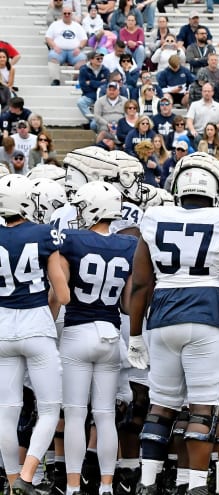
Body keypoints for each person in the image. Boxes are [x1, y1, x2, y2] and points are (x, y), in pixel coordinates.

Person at [128, 153, 219, 495]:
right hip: (207, 314)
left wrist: (135, 334)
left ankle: (148, 482)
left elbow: (141, 283)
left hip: (163, 315)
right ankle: (197, 486)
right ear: (215, 186)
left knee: (162, 403)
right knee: (202, 405)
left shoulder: (154, 217)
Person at [59, 181, 136, 495]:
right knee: (105, 416)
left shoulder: (71, 239)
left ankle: (74, 485)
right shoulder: (129, 245)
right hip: (110, 333)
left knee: (76, 414)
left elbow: (59, 292)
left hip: (77, 330)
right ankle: (106, 486)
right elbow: (129, 304)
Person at [0, 173, 69, 495]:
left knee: (7, 410)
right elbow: (63, 293)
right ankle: (27, 477)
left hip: (2, 327)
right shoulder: (44, 233)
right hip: (36, 325)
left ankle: (12, 480)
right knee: (49, 408)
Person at [45, 6, 88, 86]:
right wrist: (54, 46)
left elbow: (84, 39)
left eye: (69, 13)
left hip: (74, 51)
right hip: (59, 51)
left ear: (72, 14)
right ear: (62, 14)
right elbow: (48, 38)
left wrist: (79, 48)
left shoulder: (77, 26)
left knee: (82, 60)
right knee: (52, 57)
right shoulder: (55, 25)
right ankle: (55, 80)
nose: (67, 15)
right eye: (65, 13)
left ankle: (75, 81)